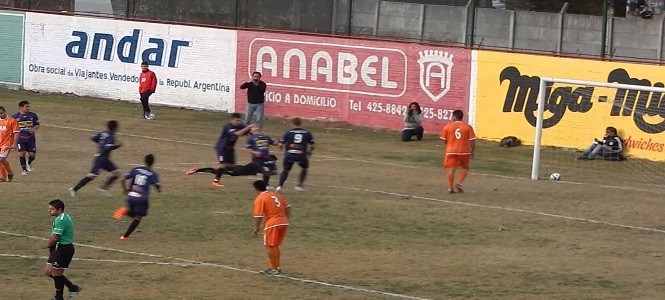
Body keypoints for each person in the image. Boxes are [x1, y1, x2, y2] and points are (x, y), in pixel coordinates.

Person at [185, 113, 255, 187]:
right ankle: (215, 181)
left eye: (239, 121)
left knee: (230, 167)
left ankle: (197, 170)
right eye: (236, 120)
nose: (237, 122)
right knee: (223, 165)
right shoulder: (227, 126)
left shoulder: (240, 126)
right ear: (232, 120)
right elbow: (237, 134)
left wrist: (252, 132)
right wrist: (248, 127)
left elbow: (248, 131)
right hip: (222, 147)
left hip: (230, 149)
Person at [113, 154, 161, 240]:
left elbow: (122, 180)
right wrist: (158, 189)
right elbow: (158, 188)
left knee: (134, 214)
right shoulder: (153, 174)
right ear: (153, 162)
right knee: (138, 217)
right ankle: (125, 236)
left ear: (144, 160)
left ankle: (126, 211)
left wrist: (125, 190)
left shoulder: (136, 169)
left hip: (131, 195)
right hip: (141, 198)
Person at [69, 120, 122, 197]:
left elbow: (93, 137)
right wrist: (117, 146)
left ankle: (103, 189)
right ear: (114, 128)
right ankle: (74, 189)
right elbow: (108, 147)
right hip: (101, 159)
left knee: (117, 173)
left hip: (105, 159)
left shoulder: (103, 133)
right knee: (91, 176)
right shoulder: (111, 137)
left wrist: (100, 144)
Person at [45, 199, 82, 300]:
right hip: (57, 248)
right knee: (48, 271)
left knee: (56, 273)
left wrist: (49, 245)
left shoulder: (62, 221)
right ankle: (72, 287)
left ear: (59, 209)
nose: (49, 211)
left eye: (52, 209)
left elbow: (54, 237)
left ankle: (58, 297)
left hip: (64, 249)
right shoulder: (61, 217)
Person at [252, 180, 290, 275]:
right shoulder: (275, 195)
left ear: (256, 189)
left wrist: (256, 228)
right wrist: (286, 218)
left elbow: (258, 216)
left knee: (269, 245)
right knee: (274, 245)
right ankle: (276, 267)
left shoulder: (260, 198)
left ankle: (273, 268)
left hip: (273, 223)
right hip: (284, 222)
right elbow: (288, 206)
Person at [440, 110, 476, 194]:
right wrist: (472, 151)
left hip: (451, 151)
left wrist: (450, 144)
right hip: (464, 151)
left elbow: (444, 140)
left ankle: (450, 188)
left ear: (454, 117)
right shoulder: (468, 127)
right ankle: (459, 183)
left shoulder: (447, 127)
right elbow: (472, 140)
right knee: (465, 168)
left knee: (451, 169)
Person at [276, 117, 315, 192]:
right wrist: (309, 152)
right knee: (304, 168)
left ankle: (279, 186)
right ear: (301, 123)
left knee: (285, 170)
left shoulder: (289, 132)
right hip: (301, 155)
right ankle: (299, 186)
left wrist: (280, 149)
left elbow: (281, 144)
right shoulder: (306, 133)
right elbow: (312, 145)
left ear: (292, 124)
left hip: (290, 154)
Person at [186, 154, 278, 179]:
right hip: (237, 171)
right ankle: (197, 170)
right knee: (218, 171)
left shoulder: (259, 162)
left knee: (220, 169)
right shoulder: (261, 165)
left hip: (240, 168)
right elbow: (267, 173)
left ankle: (197, 170)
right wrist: (274, 172)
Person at [12, 101, 40, 175]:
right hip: (20, 139)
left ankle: (29, 162)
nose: (28, 108)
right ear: (21, 107)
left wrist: (33, 129)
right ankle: (24, 170)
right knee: (22, 154)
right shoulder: (15, 117)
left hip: (30, 138)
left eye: (28, 106)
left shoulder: (33, 115)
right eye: (26, 107)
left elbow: (37, 124)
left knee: (32, 155)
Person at [0, 106, 20, 182]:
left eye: (1, 113)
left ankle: (3, 176)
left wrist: (14, 144)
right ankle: (9, 173)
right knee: (2, 160)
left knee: (1, 159)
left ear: (5, 112)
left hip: (7, 144)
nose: (0, 115)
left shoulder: (12, 121)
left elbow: (16, 133)